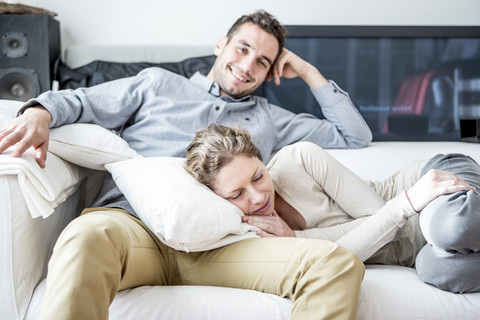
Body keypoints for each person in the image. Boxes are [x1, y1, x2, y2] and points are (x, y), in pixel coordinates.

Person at [0, 10, 369, 320]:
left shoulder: (270, 118)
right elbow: (83, 102)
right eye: (242, 49)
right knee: (84, 236)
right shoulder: (156, 84)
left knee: (335, 264)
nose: (246, 66)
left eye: (262, 62)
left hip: (226, 244)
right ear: (220, 45)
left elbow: (354, 136)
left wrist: (307, 72)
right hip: (135, 230)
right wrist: (40, 111)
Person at [185, 123, 480, 294]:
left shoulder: (299, 159)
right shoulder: (243, 231)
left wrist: (298, 241)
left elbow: (382, 216)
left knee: (452, 227)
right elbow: (335, 261)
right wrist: (296, 242)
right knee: (441, 271)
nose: (258, 196)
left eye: (259, 176)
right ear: (218, 199)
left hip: (429, 190)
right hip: (416, 255)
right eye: (237, 194)